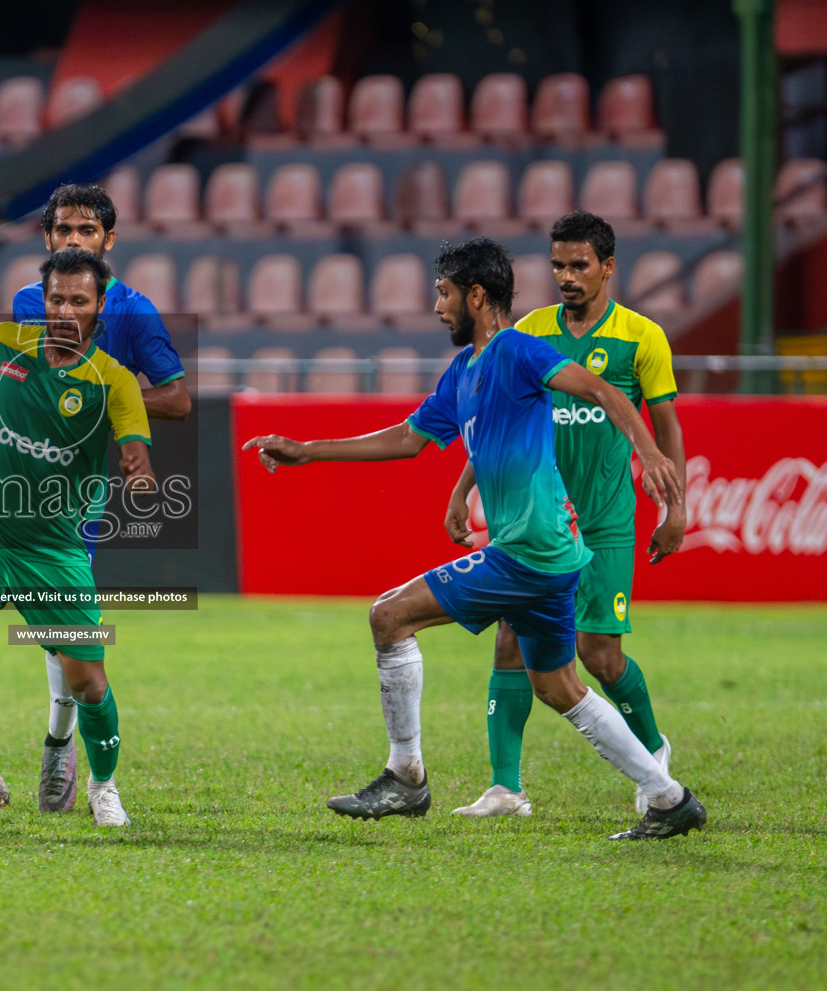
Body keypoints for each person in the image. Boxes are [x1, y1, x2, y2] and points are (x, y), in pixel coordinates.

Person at [241, 238, 707, 841]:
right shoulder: (464, 371)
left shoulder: (516, 350)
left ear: (477, 296)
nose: (437, 306)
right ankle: (669, 797)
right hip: (548, 554)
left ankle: (405, 777)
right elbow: (409, 438)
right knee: (558, 685)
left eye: (444, 293)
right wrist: (309, 451)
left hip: (528, 552)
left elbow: (603, 391)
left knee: (389, 617)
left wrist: (649, 454)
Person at [0, 183, 190, 815]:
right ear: (47, 239)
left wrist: (104, 409)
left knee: (72, 656)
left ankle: (64, 746)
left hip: (61, 513)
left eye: (87, 232)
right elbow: (9, 395)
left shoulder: (131, 320)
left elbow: (178, 400)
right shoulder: (24, 307)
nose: (74, 240)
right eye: (63, 230)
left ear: (108, 243)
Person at [445, 211, 686, 819]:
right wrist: (462, 487)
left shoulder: (641, 337)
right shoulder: (530, 331)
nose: (567, 276)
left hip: (605, 520)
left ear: (608, 266)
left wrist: (676, 509)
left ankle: (653, 754)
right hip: (538, 520)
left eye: (579, 265)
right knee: (509, 642)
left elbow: (665, 428)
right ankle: (505, 788)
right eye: (557, 265)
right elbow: (498, 417)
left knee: (599, 654)